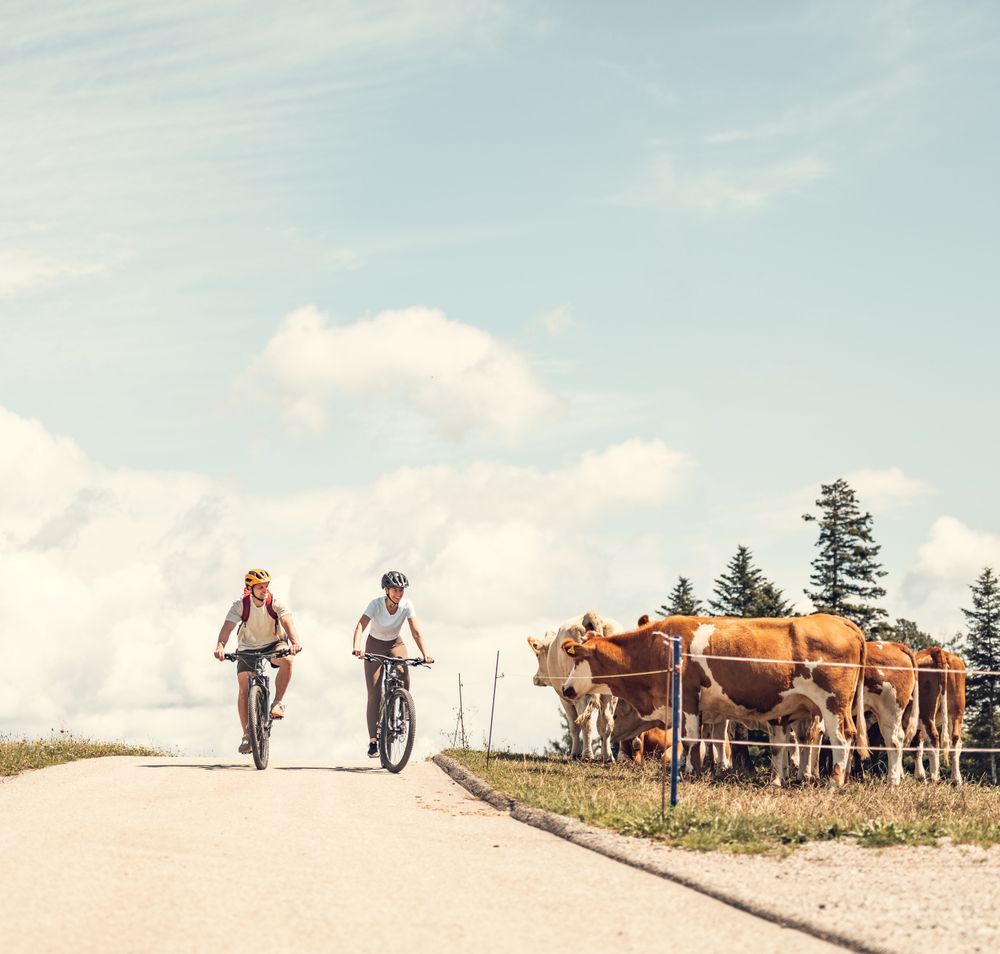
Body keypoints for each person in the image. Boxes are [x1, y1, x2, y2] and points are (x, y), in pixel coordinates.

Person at [215, 568, 303, 754]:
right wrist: (221, 646)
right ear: (250, 588)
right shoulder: (240, 605)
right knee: (243, 687)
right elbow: (227, 627)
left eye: (266, 586)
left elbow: (288, 622)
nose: (265, 590)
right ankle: (247, 734)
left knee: (287, 659)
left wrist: (295, 642)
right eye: (260, 587)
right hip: (248, 647)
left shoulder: (275, 603)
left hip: (274, 644)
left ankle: (278, 702)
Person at [352, 570, 434, 757]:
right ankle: (373, 741)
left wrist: (425, 654)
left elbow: (416, 631)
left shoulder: (406, 605)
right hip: (374, 645)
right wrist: (357, 647)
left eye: (401, 590)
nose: (399, 593)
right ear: (386, 590)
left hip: (396, 643)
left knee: (404, 671)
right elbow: (360, 626)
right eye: (395, 589)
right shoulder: (376, 604)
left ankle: (404, 705)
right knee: (374, 693)